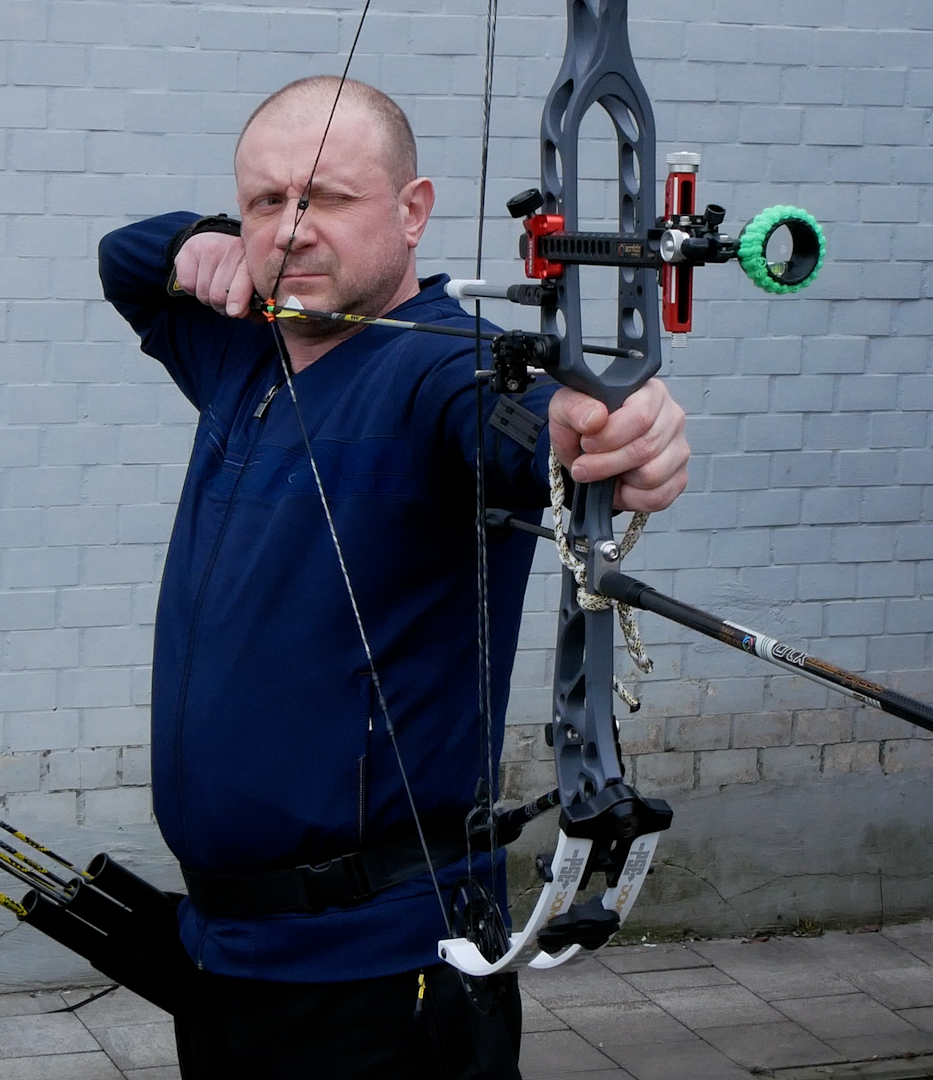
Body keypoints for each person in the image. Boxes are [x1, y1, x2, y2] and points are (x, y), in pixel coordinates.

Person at [96, 76, 689, 1079]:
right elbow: (124, 259)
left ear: (412, 211)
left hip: (383, 978)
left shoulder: (444, 370)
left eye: (325, 199)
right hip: (224, 958)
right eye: (265, 202)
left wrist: (606, 438)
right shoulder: (236, 354)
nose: (290, 231)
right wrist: (202, 241)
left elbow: (526, 425)